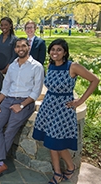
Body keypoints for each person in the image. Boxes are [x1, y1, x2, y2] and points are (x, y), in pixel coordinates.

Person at [32, 39, 99, 184]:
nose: (55, 52)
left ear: (65, 52)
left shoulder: (72, 66)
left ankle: (67, 168)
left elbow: (95, 80)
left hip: (63, 110)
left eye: (59, 49)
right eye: (52, 49)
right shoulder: (51, 65)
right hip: (48, 107)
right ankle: (60, 171)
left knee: (57, 143)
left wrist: (80, 101)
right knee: (50, 142)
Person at [0, 38, 44, 180]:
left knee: (9, 131)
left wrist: (21, 105)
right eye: (18, 46)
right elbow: (6, 87)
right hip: (8, 100)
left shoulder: (37, 66)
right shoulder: (13, 66)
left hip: (24, 102)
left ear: (28, 47)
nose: (20, 48)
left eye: (23, 46)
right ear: (15, 49)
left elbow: (35, 92)